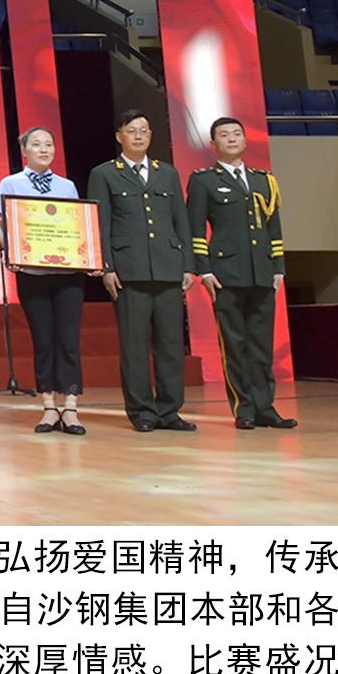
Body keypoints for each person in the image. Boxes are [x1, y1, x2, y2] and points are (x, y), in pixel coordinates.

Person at [87, 110, 198, 433]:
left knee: (171, 344)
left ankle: (170, 410)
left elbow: (181, 222)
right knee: (134, 345)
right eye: (132, 130)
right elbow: (100, 224)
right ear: (119, 136)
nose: (139, 136)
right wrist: (106, 267)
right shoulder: (105, 173)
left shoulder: (167, 173)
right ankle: (142, 411)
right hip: (128, 271)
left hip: (168, 268)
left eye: (144, 130)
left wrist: (187, 265)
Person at [188, 116, 294, 430]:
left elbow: (274, 229)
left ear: (246, 140)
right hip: (226, 274)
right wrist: (205, 271)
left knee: (261, 345)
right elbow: (195, 230)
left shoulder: (264, 180)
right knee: (234, 345)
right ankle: (244, 408)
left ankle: (266, 407)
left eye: (237, 134)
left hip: (262, 272)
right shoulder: (204, 180)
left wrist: (278, 268)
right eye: (224, 135)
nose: (232, 139)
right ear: (213, 144)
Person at [0, 127, 87, 435]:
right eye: (36, 144)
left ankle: (70, 407)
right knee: (43, 339)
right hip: (32, 275)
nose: (43, 149)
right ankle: (48, 406)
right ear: (24, 151)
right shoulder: (11, 183)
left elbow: (78, 224)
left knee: (69, 340)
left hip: (68, 275)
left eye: (48, 144)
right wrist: (12, 251)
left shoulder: (67, 185)